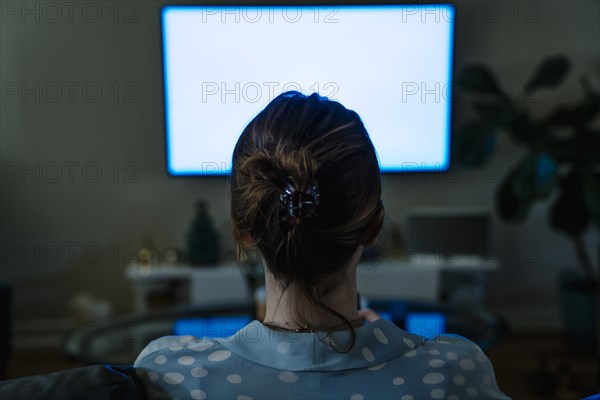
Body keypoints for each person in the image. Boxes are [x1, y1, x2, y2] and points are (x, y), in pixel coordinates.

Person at [134, 91, 511, 400]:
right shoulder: (455, 374)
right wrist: (396, 346)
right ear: (373, 227)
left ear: (242, 229)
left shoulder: (167, 375)